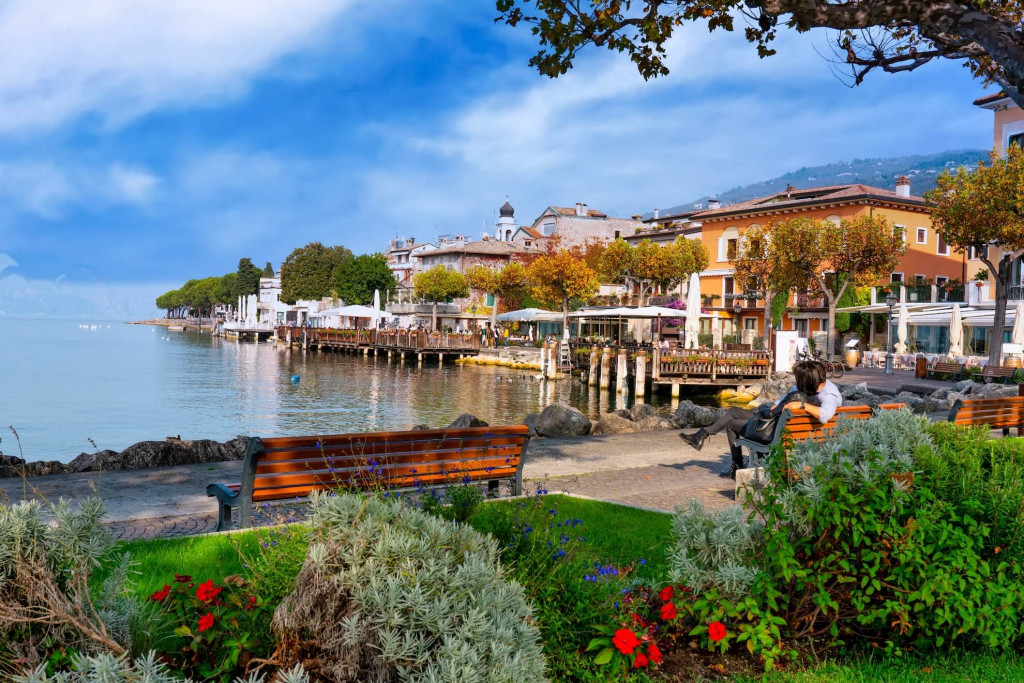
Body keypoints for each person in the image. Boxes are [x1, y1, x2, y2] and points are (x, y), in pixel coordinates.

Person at [679, 360, 843, 479]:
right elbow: (782, 401)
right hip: (777, 425)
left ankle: (735, 465)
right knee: (734, 411)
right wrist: (777, 405)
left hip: (772, 431)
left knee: (731, 424)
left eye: (799, 378)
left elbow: (824, 415)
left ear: (807, 379)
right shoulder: (806, 388)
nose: (796, 381)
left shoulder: (828, 394)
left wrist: (800, 405)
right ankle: (701, 435)